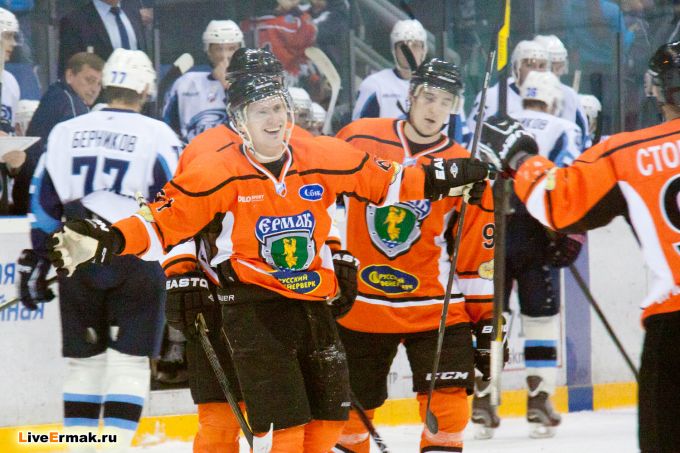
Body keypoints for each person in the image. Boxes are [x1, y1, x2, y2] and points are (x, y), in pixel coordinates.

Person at [46, 71, 489, 452]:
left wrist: (445, 175)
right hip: (253, 309)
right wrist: (107, 239)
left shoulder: (320, 156)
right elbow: (164, 221)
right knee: (285, 427)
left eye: (279, 108)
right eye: (261, 111)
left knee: (328, 423)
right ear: (240, 120)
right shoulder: (218, 170)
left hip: (313, 306)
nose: (274, 120)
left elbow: (386, 180)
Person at [478, 41, 680, 453]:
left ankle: (490, 393)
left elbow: (559, 202)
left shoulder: (627, 152)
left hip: (673, 329)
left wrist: (521, 160)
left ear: (658, 89)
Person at [18, 48, 180, 452]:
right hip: (137, 256)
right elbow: (176, 202)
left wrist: (40, 256)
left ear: (107, 84)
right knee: (129, 361)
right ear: (145, 89)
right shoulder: (157, 133)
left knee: (83, 363)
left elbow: (43, 205)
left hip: (77, 257)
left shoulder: (65, 131)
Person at [333, 58, 497, 453]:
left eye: (445, 101)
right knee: (346, 424)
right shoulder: (357, 137)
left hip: (434, 305)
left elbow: (474, 253)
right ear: (410, 95)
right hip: (362, 303)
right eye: (428, 97)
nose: (434, 109)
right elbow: (317, 198)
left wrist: (486, 319)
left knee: (448, 414)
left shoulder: (465, 166)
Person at [472, 70, 584, 440]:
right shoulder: (563, 127)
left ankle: (484, 399)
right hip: (537, 232)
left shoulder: (498, 124)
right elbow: (565, 181)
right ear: (554, 100)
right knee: (540, 319)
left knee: (492, 319)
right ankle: (539, 399)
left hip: (493, 230)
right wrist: (571, 233)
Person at [11, 51, 105, 215]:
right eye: (89, 80)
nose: (94, 89)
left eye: (99, 84)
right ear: (70, 75)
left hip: (28, 190)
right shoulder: (71, 103)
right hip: (43, 198)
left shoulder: (56, 93)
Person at [162, 20, 243, 144]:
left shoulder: (252, 84)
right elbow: (167, 126)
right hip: (194, 153)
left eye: (231, 49)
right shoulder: (186, 83)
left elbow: (248, 126)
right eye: (218, 49)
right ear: (209, 52)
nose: (225, 56)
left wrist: (228, 87)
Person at [352, 19, 428, 120]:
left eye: (415, 46)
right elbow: (360, 127)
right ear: (394, 50)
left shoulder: (438, 87)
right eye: (403, 46)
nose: (409, 51)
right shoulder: (375, 85)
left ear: (423, 50)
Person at [467, 39, 549, 130]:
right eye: (530, 65)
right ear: (516, 67)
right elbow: (473, 132)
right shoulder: (492, 96)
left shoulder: (552, 98)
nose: (536, 71)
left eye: (541, 66)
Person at [58, 0, 147, 76]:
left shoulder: (133, 13)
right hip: (99, 89)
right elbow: (70, 71)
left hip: (137, 88)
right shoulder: (75, 22)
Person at [241, 0, 317, 86]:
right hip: (286, 80)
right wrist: (299, 13)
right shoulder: (290, 25)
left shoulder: (245, 25)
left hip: (257, 81)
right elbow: (309, 34)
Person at [533, 34, 589, 148]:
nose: (555, 73)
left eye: (559, 66)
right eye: (552, 66)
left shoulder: (569, 95)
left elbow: (583, 138)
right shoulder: (508, 93)